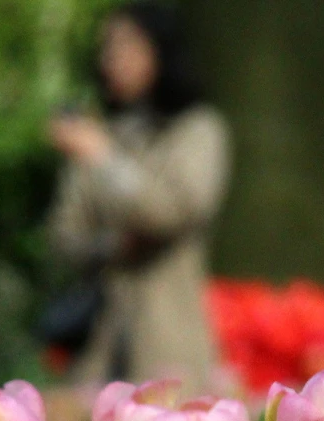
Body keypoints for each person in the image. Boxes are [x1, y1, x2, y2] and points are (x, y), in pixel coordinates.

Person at [47, 1, 229, 392]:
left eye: (126, 46)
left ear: (160, 50)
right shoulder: (102, 135)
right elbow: (64, 235)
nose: (113, 59)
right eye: (107, 48)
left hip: (169, 345)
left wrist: (103, 160)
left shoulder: (198, 131)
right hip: (98, 351)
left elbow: (171, 210)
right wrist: (114, 244)